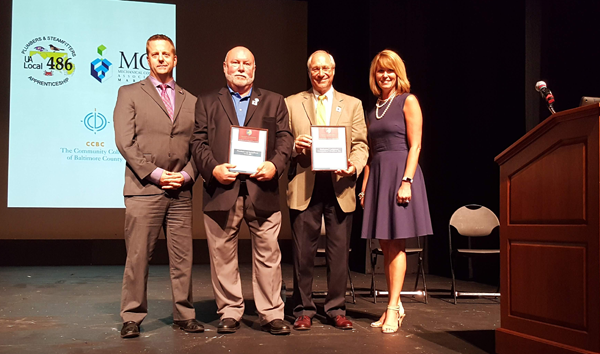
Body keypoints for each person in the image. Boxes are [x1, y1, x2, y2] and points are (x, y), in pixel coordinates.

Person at [191, 46, 293, 335]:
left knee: (269, 254)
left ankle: (272, 313)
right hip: (222, 190)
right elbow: (197, 142)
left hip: (263, 189)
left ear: (254, 68)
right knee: (222, 254)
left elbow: (285, 139)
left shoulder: (274, 101)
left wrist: (274, 165)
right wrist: (213, 169)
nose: (240, 67)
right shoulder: (208, 101)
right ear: (224, 67)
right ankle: (230, 311)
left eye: (246, 63)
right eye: (234, 62)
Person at [113, 34, 204, 338]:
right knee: (138, 256)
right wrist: (155, 174)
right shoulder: (129, 93)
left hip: (180, 190)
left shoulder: (191, 100)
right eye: (155, 54)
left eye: (167, 54)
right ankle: (132, 316)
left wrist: (188, 175)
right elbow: (125, 142)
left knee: (183, 257)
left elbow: (198, 146)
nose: (161, 58)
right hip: (144, 189)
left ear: (175, 59)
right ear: (148, 59)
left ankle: (184, 314)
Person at [285, 50, 368, 331]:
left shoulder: (353, 104)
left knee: (338, 253)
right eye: (315, 69)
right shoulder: (291, 103)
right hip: (305, 182)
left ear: (333, 71)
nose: (321, 73)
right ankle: (303, 309)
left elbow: (361, 145)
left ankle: (335, 308)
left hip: (340, 183)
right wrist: (295, 146)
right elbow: (282, 143)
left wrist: (353, 166)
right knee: (303, 254)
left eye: (326, 68)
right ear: (309, 72)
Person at [360, 49, 433, 334]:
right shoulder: (373, 108)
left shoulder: (408, 101)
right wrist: (364, 189)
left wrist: (407, 180)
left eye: (390, 70)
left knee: (397, 244)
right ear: (374, 76)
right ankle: (394, 305)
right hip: (378, 177)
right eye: (380, 71)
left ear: (398, 73)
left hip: (401, 175)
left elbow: (415, 145)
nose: (385, 75)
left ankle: (392, 307)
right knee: (385, 244)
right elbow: (370, 153)